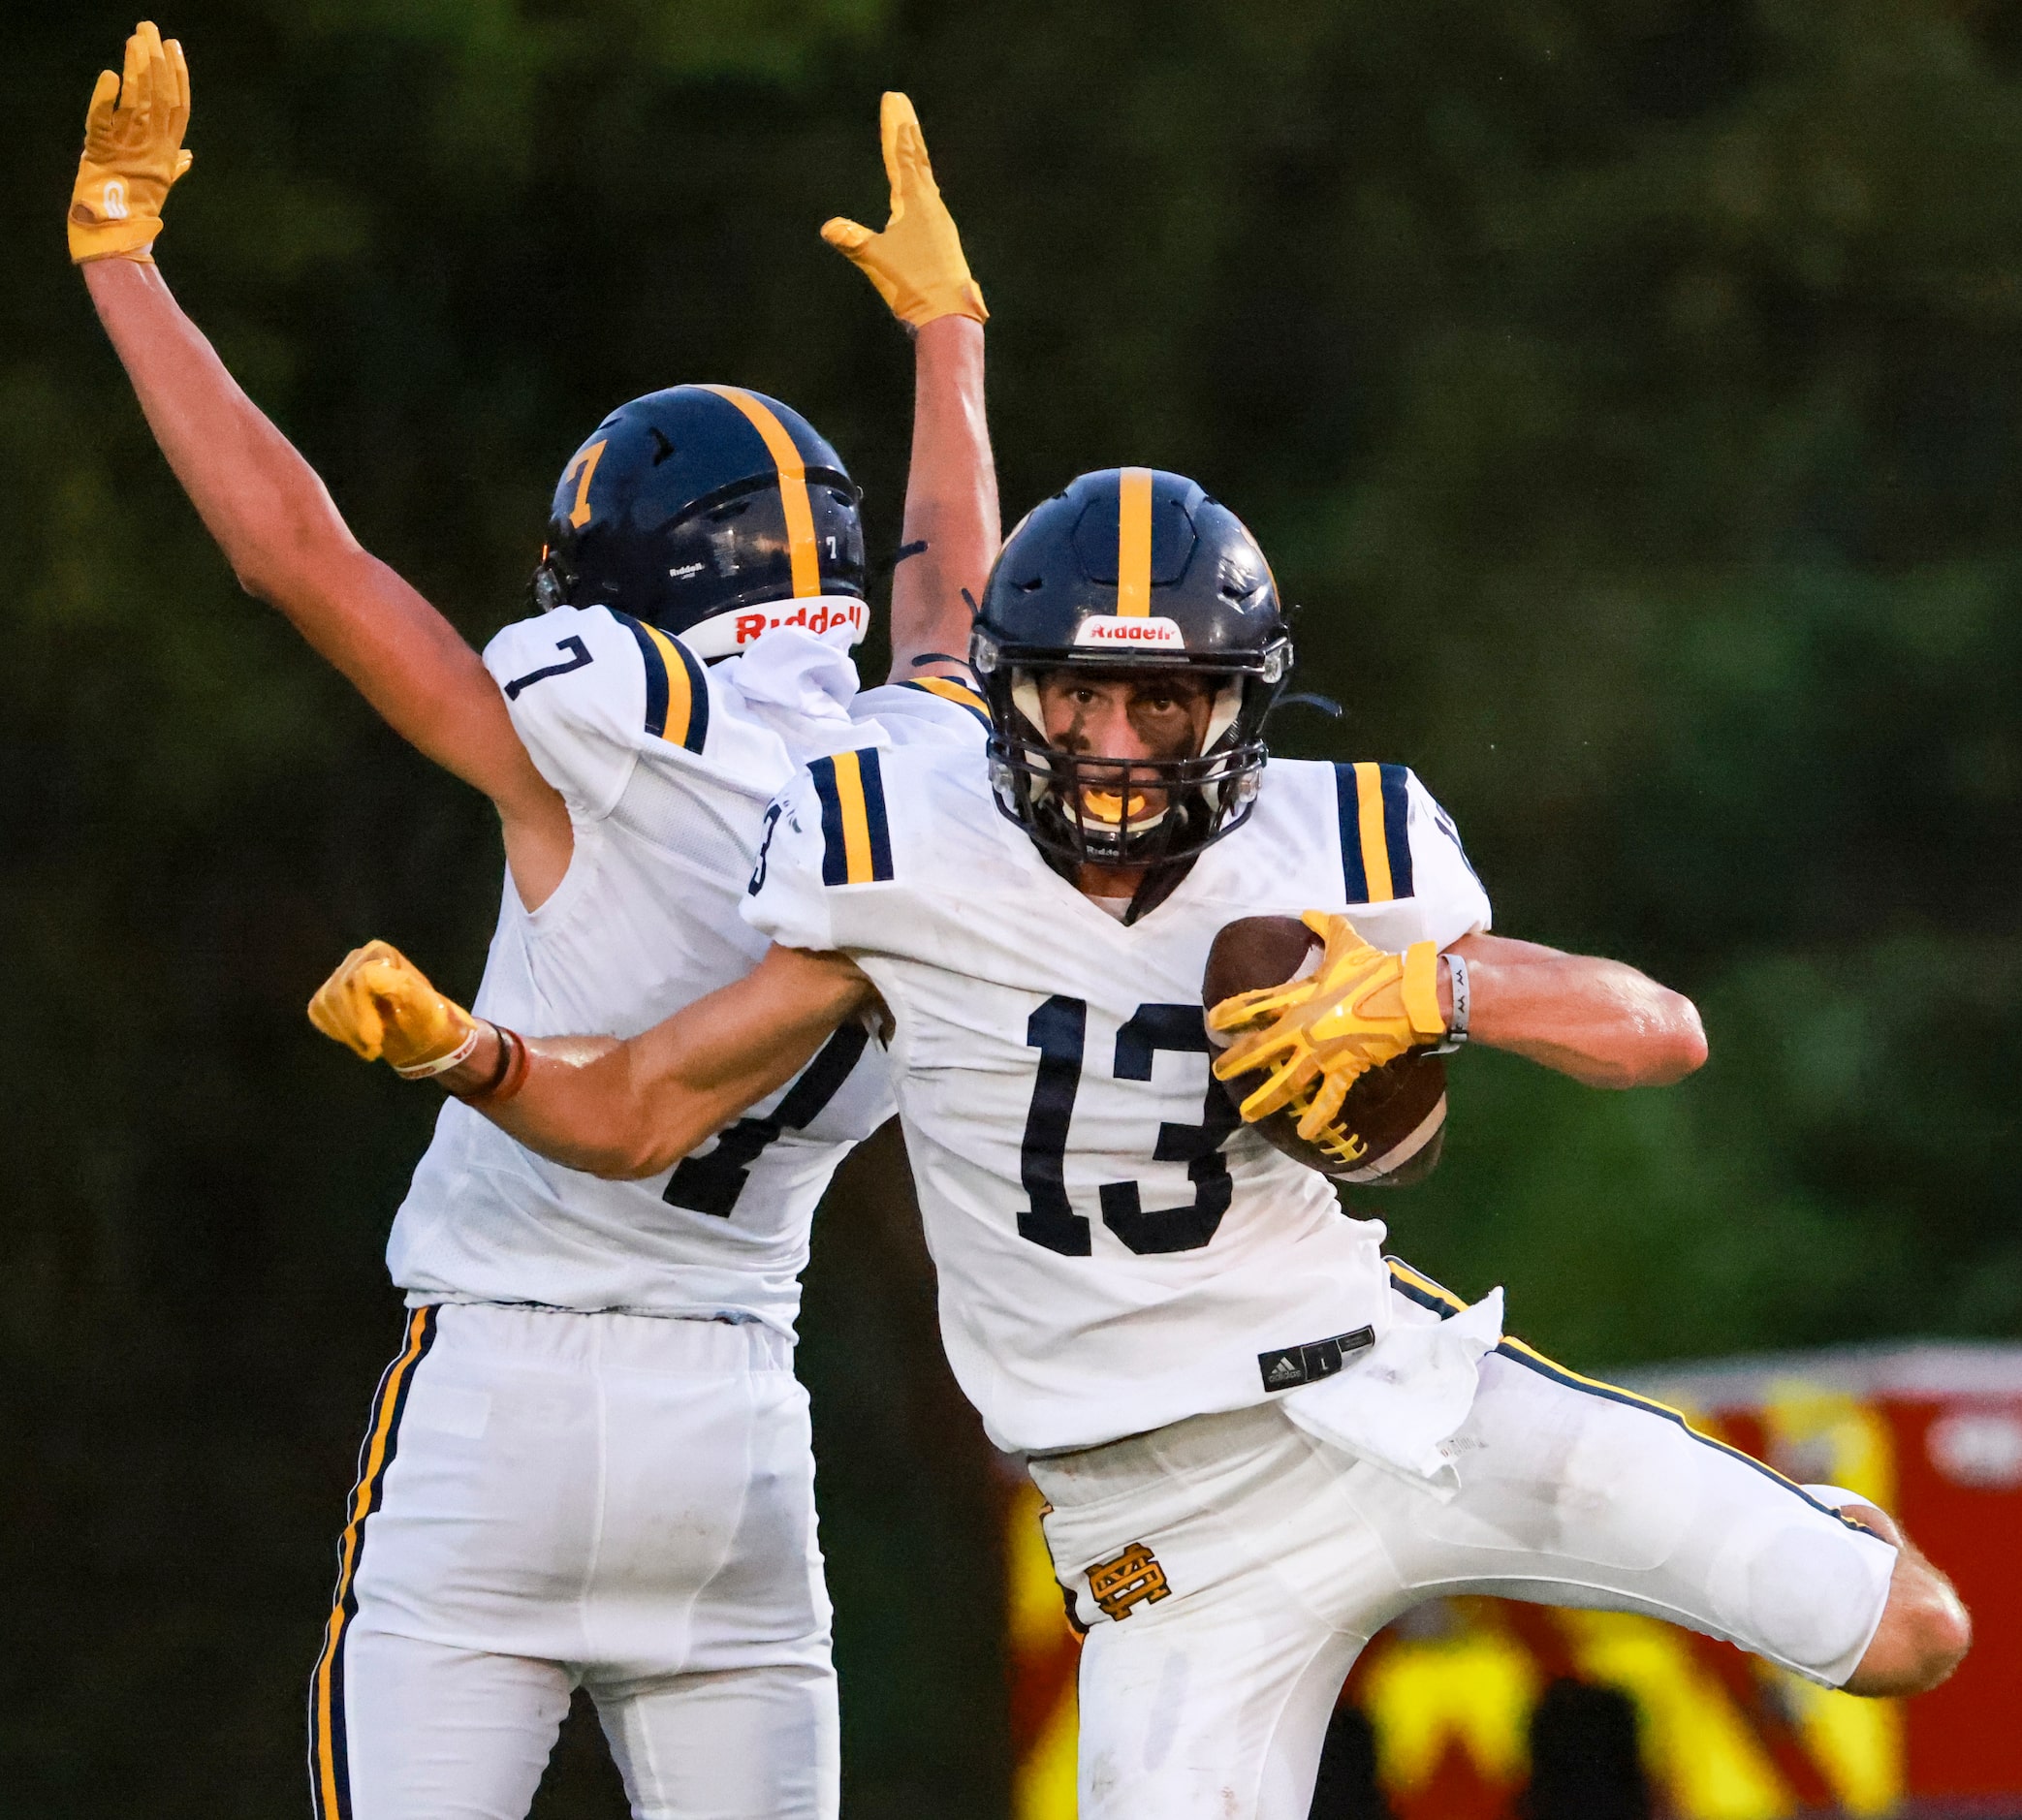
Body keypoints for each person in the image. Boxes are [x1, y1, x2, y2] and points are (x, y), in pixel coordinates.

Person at [309, 519, 1971, 1798]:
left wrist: (1440, 982)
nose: (1111, 736)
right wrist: (469, 1051)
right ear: (1007, 689)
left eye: (1159, 693)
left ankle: (1808, 1521)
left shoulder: (1340, 837)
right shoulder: (896, 855)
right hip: (1158, 1541)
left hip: (1396, 1403)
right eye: (1076, 690)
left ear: (1234, 704)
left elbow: (1656, 1027)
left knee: (1913, 1638)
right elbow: (638, 1112)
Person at [70, 23, 998, 1820]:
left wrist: (124, 266)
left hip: (497, 1390)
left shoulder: (586, 736)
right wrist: (949, 335)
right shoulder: (927, 772)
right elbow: (949, 588)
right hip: (736, 1431)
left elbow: (300, 557)